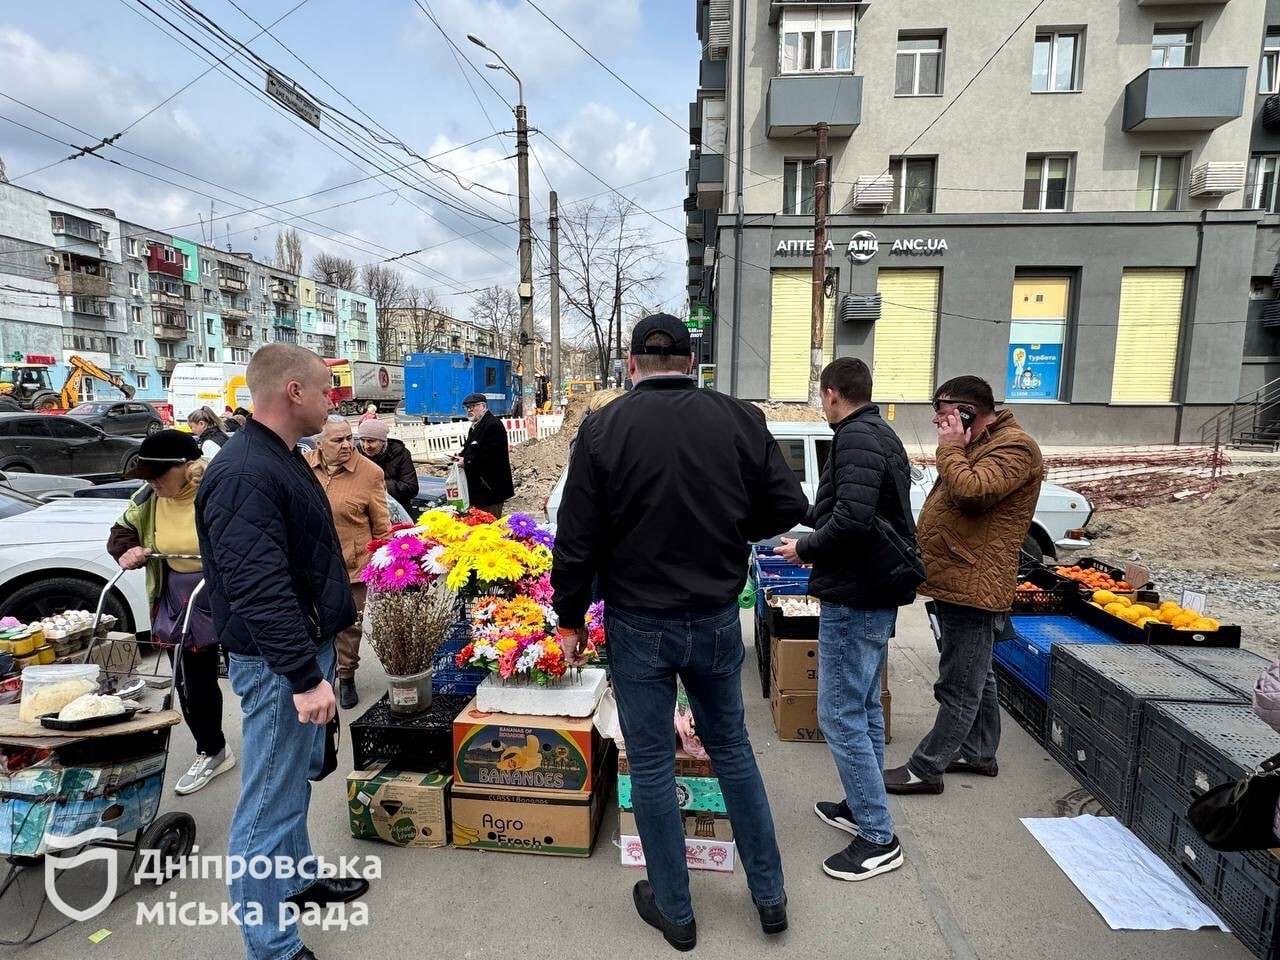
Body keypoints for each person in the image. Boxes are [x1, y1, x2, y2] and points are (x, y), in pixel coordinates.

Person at [552, 314, 808, 952]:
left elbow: (576, 536)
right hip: (716, 614)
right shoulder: (737, 418)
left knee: (655, 768)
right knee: (734, 752)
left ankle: (676, 912)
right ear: (691, 363)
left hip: (638, 621)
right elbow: (786, 508)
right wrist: (723, 517)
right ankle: (770, 898)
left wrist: (568, 618)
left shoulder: (604, 427)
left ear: (632, 364)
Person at [196, 344, 367, 960]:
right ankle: (271, 946)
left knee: (290, 781)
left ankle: (295, 881)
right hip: (277, 665)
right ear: (293, 391)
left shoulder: (280, 455)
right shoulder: (245, 470)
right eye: (326, 390)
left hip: (298, 651)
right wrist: (302, 675)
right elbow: (257, 584)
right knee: (266, 803)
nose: (334, 400)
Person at [774, 358, 921, 882]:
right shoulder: (877, 433)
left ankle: (878, 837)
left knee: (839, 713)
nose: (821, 402)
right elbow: (838, 506)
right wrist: (788, 508)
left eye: (822, 395)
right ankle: (862, 806)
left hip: (858, 594)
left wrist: (805, 550)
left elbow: (853, 524)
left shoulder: (857, 437)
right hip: (871, 590)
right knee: (862, 706)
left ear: (832, 393)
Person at [883, 376, 1043, 795]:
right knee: (978, 675)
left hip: (976, 583)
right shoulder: (983, 442)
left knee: (958, 684)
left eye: (943, 414)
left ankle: (927, 767)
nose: (938, 423)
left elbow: (972, 491)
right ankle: (978, 751)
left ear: (968, 411)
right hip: (960, 577)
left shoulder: (1015, 446)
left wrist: (951, 449)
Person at [106, 430, 232, 796]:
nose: (152, 481)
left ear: (186, 467)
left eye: (158, 473)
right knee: (190, 680)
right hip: (179, 594)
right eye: (147, 474)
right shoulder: (147, 498)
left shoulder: (216, 492)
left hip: (222, 590)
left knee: (251, 671)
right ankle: (213, 749)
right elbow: (121, 532)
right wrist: (128, 550)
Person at [305, 417, 390, 710]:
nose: (347, 445)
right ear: (318, 444)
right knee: (312, 622)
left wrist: (384, 564)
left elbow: (381, 526)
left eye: (348, 439)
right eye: (337, 440)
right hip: (310, 563)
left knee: (348, 625)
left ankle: (347, 675)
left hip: (352, 565)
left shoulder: (370, 473)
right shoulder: (302, 466)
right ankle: (316, 678)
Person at [460, 392, 514, 517]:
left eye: (473, 406)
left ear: (483, 407)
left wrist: (466, 461)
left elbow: (490, 455)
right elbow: (471, 448)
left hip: (490, 488)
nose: (469, 410)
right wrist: (461, 455)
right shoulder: (476, 426)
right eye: (467, 407)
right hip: (480, 489)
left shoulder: (493, 424)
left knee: (489, 524)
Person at [357, 418, 419, 514]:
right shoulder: (356, 454)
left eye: (370, 441)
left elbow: (411, 488)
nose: (366, 446)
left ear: (383, 441)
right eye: (362, 440)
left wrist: (382, 485)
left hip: (398, 511)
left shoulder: (400, 453)